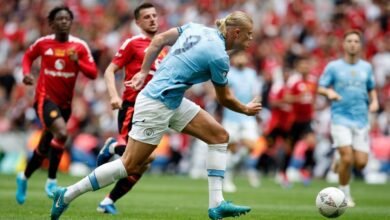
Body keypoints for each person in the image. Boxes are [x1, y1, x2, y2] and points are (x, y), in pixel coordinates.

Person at [50, 11, 261, 220]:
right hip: (156, 103)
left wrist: (143, 72)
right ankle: (67, 194)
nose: (251, 38)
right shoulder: (219, 56)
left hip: (171, 100)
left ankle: (217, 204)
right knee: (130, 165)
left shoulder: (195, 27)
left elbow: (159, 39)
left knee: (219, 136)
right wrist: (246, 109)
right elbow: (224, 99)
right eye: (249, 34)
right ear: (236, 32)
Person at [16, 6, 97, 204]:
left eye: (67, 19)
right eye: (59, 19)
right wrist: (26, 73)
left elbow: (93, 73)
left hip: (65, 105)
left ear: (71, 22)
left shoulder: (79, 47)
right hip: (45, 100)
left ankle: (23, 177)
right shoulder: (43, 43)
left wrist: (78, 61)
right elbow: (27, 56)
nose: (64, 22)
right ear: (52, 23)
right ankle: (51, 181)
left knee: (44, 146)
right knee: (61, 133)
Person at [96, 2, 166, 214]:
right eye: (147, 17)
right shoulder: (133, 43)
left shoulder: (162, 47)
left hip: (154, 111)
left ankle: (108, 201)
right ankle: (111, 148)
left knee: (143, 163)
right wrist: (114, 96)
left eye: (154, 15)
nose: (153, 19)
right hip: (133, 107)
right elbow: (110, 70)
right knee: (142, 157)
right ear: (137, 22)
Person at [318, 30, 379, 207]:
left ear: (360, 45)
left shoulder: (366, 67)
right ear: (344, 44)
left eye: (356, 41)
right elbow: (321, 87)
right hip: (340, 118)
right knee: (348, 158)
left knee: (360, 163)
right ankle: (344, 194)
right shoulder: (334, 67)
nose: (352, 44)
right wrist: (329, 91)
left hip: (361, 119)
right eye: (349, 41)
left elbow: (371, 87)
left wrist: (374, 101)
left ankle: (338, 159)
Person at [221, 50, 261, 192]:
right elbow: (225, 95)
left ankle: (232, 169)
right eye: (238, 56)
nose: (241, 58)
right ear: (234, 58)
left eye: (243, 55)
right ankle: (228, 179)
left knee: (251, 146)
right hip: (231, 116)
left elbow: (256, 93)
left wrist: (256, 106)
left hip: (248, 116)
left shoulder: (252, 74)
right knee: (231, 148)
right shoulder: (229, 74)